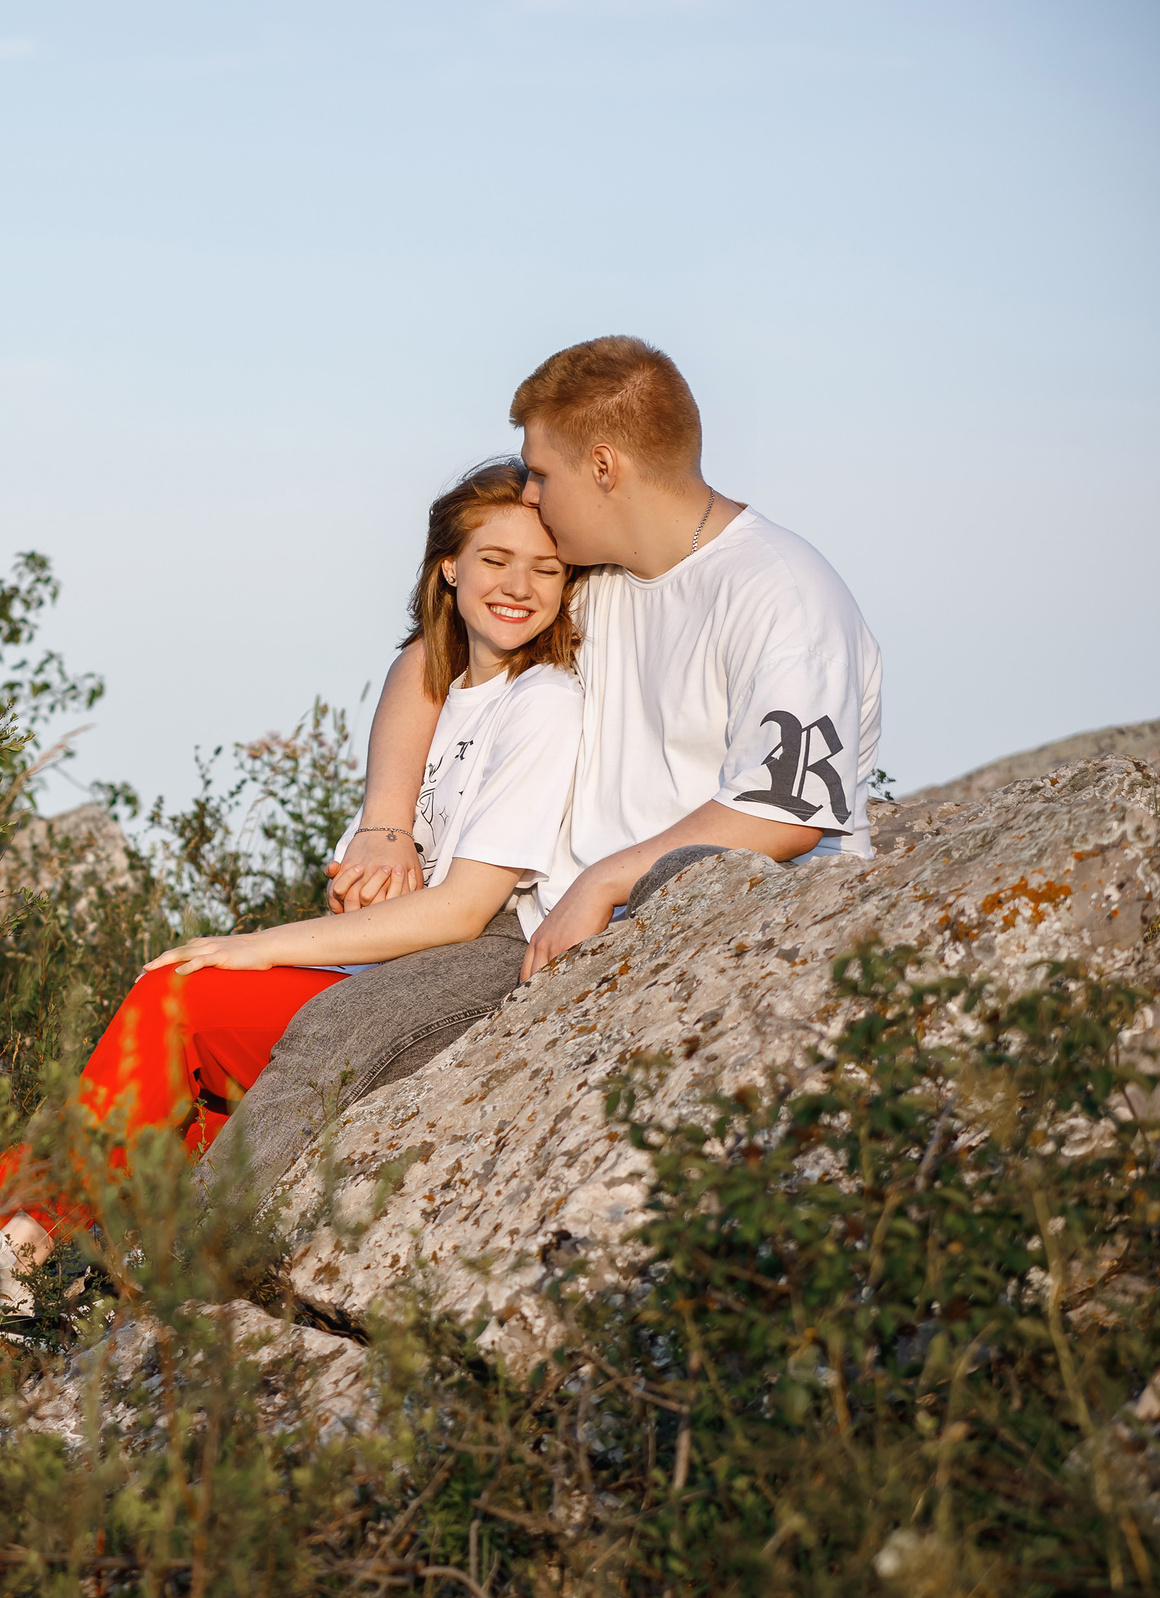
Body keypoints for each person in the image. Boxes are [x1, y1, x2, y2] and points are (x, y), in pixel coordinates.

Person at [0, 457, 588, 1322]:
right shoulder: (441, 692)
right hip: (386, 979)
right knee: (162, 1104)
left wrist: (249, 946)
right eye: (495, 560)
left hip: (445, 992)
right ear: (448, 564)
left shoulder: (541, 701)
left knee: (177, 997)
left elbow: (462, 910)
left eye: (546, 570)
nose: (519, 586)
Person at [235, 334, 883, 1190]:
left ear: (604, 466)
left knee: (348, 1031)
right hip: (538, 924)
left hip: (706, 934)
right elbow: (432, 655)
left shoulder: (780, 594)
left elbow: (784, 811)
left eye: (541, 471)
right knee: (329, 1023)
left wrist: (607, 878)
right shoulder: (594, 575)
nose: (530, 491)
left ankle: (175, 1272)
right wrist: (385, 824)